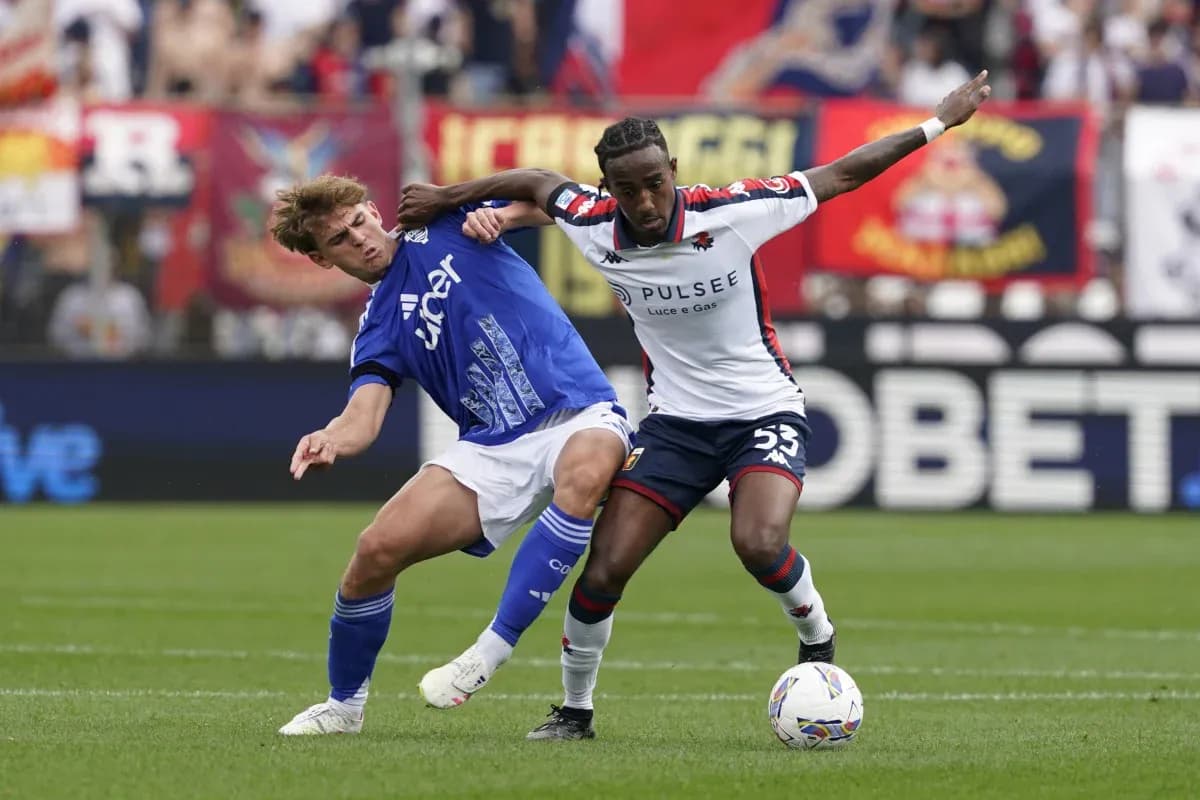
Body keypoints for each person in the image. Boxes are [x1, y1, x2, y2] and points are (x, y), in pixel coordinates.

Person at [398, 71, 992, 740]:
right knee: (605, 569)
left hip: (763, 411)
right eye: (628, 188)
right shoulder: (594, 222)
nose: (646, 199)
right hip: (677, 425)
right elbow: (538, 181)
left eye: (655, 181)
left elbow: (844, 173)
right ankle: (574, 710)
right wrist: (454, 198)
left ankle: (817, 636)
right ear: (609, 190)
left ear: (672, 169)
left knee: (758, 542)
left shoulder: (731, 211)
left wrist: (939, 123)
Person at [270, 175, 633, 735]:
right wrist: (331, 437)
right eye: (341, 240)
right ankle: (343, 708)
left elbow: (563, 200)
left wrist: (504, 218)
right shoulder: (377, 327)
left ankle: (491, 650)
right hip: (492, 446)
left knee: (583, 474)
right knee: (374, 551)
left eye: (359, 221)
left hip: (577, 407)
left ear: (372, 207)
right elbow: (362, 417)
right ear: (322, 261)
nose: (360, 238)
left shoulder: (439, 220)